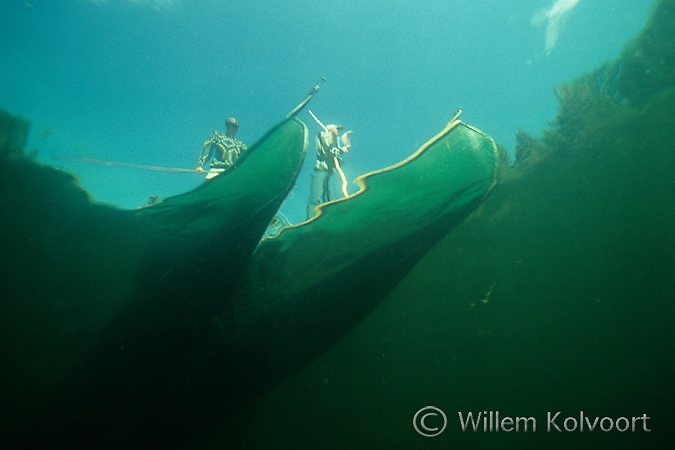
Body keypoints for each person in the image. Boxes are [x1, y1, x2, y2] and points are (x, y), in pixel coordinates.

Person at [306, 123, 352, 219]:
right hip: (321, 170)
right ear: (331, 129)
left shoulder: (336, 142)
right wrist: (333, 149)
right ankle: (309, 219)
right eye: (336, 129)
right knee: (316, 196)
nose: (337, 131)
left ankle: (330, 218)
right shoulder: (323, 135)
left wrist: (343, 147)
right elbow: (323, 150)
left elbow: (338, 152)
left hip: (329, 171)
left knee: (328, 198)